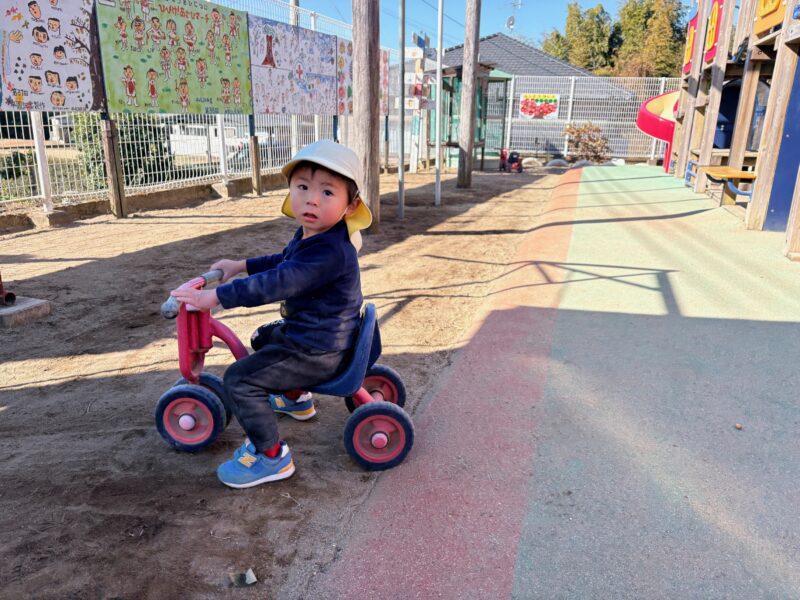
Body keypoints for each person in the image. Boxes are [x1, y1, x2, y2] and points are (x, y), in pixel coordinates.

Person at [170, 140, 372, 489]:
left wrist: (215, 297)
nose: (312, 199)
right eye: (303, 187)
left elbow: (280, 281)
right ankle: (295, 398)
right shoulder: (315, 235)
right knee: (262, 337)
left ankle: (272, 456)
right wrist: (240, 265)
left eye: (327, 192)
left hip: (317, 351)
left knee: (240, 379)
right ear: (290, 189)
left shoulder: (330, 252)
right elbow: (283, 261)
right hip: (316, 336)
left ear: (350, 205)